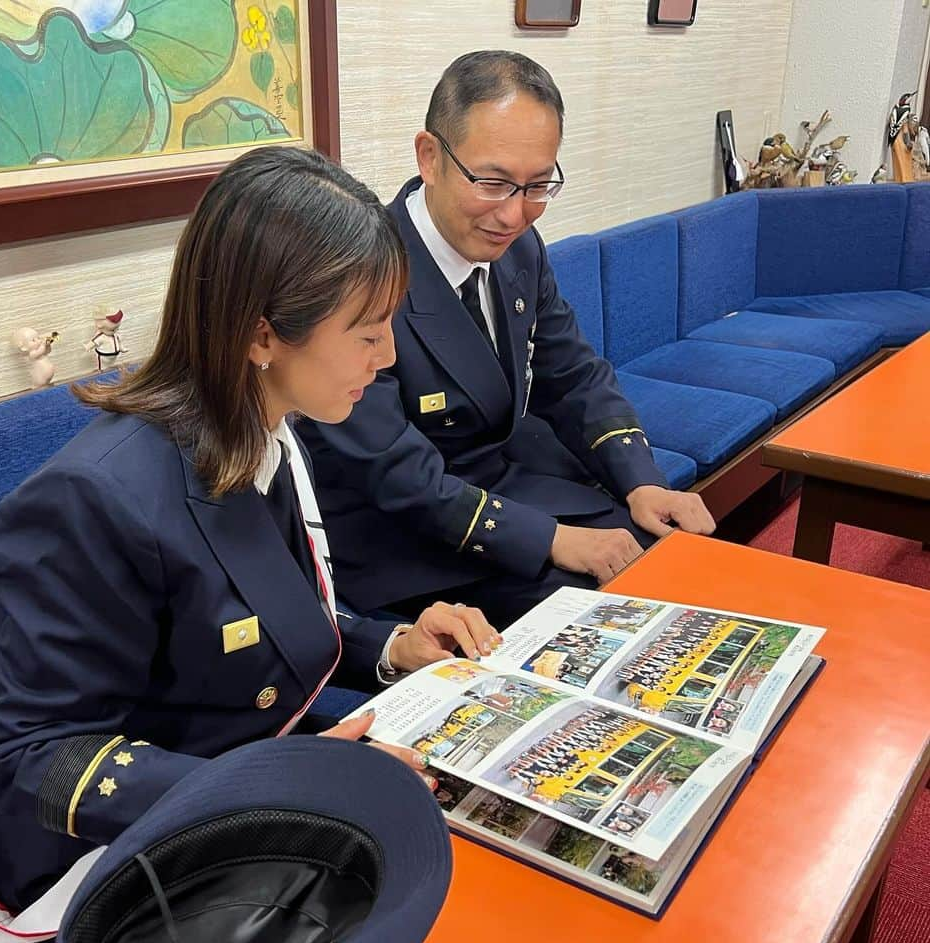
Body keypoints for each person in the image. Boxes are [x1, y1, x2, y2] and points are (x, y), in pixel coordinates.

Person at [0, 146, 498, 925]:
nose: (390, 356)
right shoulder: (94, 499)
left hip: (240, 764)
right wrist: (280, 781)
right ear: (263, 336)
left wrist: (393, 644)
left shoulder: (266, 430)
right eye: (367, 332)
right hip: (114, 848)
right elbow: (33, 764)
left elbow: (242, 618)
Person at [298, 51, 714, 628]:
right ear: (430, 158)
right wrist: (551, 540)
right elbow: (394, 473)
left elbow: (573, 375)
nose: (516, 214)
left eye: (538, 185)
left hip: (500, 480)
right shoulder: (360, 271)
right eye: (493, 183)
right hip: (401, 531)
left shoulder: (517, 247)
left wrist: (641, 480)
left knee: (667, 547)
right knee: (609, 609)